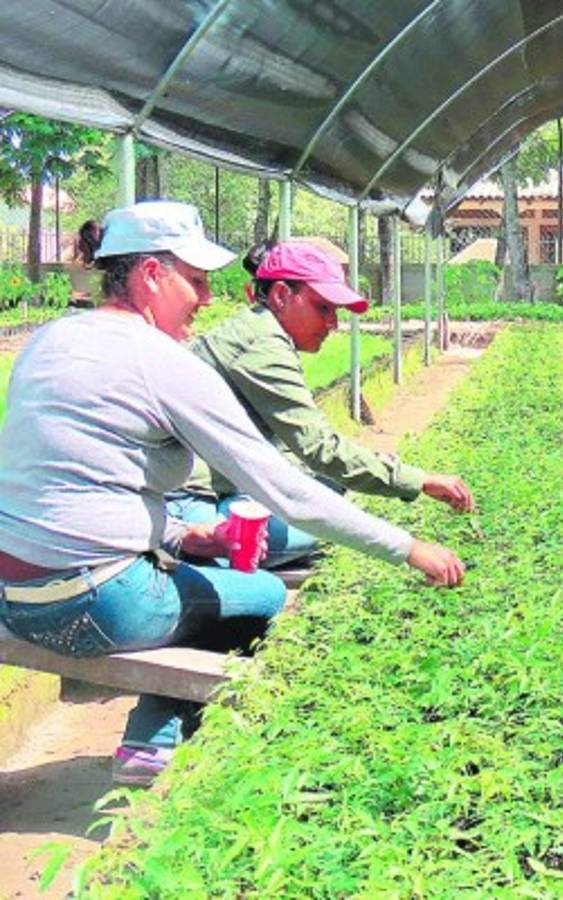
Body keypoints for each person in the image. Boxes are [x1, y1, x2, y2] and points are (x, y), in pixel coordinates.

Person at [0, 201, 466, 785]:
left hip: (13, 598)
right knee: (264, 593)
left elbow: (73, 476)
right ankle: (155, 737)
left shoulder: (50, 340)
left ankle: (155, 733)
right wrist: (407, 547)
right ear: (150, 276)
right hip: (93, 605)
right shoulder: (160, 360)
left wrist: (181, 534)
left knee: (225, 565)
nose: (206, 298)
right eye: (195, 281)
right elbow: (287, 490)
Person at [169, 240, 474, 568]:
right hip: (189, 496)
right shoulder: (263, 346)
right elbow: (319, 448)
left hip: (218, 482)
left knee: (328, 492)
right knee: (313, 538)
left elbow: (292, 450)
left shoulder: (259, 329)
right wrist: (419, 481)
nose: (333, 324)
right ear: (282, 296)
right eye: (322, 308)